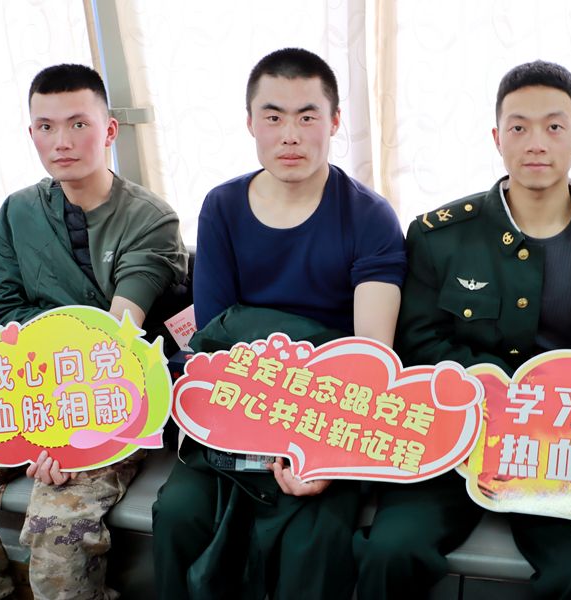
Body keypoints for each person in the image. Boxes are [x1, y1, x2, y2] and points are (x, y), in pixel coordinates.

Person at [354, 60, 571, 599]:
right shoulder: (440, 236)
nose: (536, 142)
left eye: (554, 126)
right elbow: (418, 344)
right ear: (497, 138)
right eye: (519, 127)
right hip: (453, 439)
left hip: (557, 448)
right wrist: (497, 392)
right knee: (390, 551)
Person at [0, 63, 188, 599]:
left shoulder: (150, 219)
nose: (61, 141)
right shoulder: (12, 217)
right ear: (32, 133)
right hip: (19, 392)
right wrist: (31, 418)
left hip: (109, 398)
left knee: (57, 530)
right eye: (46, 126)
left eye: (78, 124)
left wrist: (61, 433)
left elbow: (119, 333)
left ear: (109, 130)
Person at [151, 47, 406, 600]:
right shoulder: (222, 207)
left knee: (313, 542)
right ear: (250, 123)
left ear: (334, 122)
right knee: (179, 515)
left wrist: (325, 454)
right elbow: (214, 338)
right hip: (233, 408)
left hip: (330, 421)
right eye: (273, 117)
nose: (290, 135)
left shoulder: (370, 216)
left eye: (307, 116)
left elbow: (371, 360)